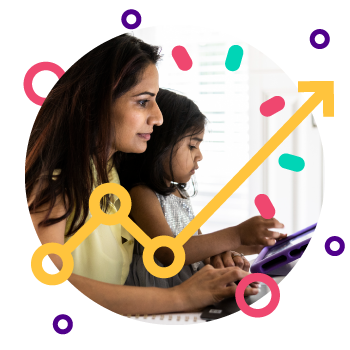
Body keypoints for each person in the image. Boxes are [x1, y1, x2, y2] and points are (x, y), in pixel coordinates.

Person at [26, 33, 282, 316]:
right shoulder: (53, 182)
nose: (158, 118)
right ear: (94, 102)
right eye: (143, 101)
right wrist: (181, 297)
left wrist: (212, 254)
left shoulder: (111, 173)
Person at [117, 88, 287, 288]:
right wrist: (237, 234)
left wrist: (255, 244)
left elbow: (198, 244)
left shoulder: (179, 192)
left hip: (187, 280)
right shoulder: (141, 194)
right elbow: (168, 251)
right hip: (161, 289)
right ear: (159, 143)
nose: (199, 155)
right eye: (192, 146)